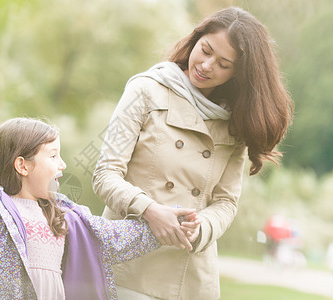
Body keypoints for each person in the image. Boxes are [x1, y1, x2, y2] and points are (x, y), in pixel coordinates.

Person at [93, 6, 294, 300]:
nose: (207, 65)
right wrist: (150, 211)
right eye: (206, 50)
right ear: (195, 39)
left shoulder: (234, 121)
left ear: (238, 73)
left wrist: (200, 229)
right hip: (127, 263)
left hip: (190, 275)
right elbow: (105, 174)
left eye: (223, 64)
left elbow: (226, 202)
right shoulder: (146, 90)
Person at [0, 117, 200, 300]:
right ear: (23, 166)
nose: (62, 164)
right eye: (52, 156)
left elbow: (113, 237)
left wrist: (169, 222)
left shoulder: (66, 216)